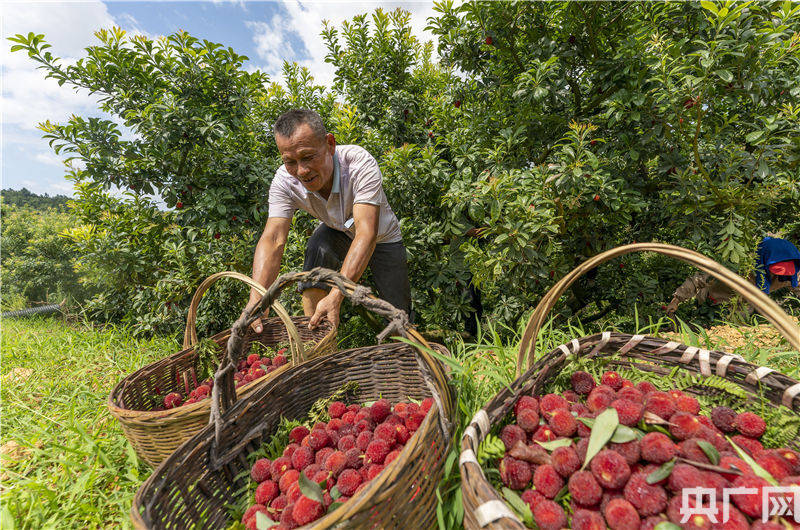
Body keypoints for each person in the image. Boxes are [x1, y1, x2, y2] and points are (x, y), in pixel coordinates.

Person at [245, 109, 411, 332]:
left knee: (398, 312)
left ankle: (407, 352)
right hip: (338, 230)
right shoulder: (284, 181)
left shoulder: (358, 164)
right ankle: (317, 337)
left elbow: (366, 233)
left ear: (330, 144)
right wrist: (258, 296)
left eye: (308, 157)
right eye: (290, 161)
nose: (301, 171)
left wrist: (336, 296)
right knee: (318, 246)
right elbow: (273, 238)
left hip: (382, 238)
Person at [665, 236, 800, 314]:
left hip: (742, 311)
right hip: (712, 305)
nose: (782, 274)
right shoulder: (739, 267)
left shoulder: (789, 275)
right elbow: (698, 280)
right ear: (764, 261)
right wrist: (676, 300)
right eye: (776, 269)